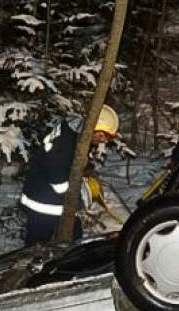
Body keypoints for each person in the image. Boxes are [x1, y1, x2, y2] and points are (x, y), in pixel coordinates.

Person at [21, 105, 119, 245]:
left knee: (73, 237)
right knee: (37, 246)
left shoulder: (76, 134)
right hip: (44, 202)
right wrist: (74, 194)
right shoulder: (67, 140)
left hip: (48, 198)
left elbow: (71, 163)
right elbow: (57, 176)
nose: (104, 141)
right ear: (96, 127)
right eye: (104, 136)